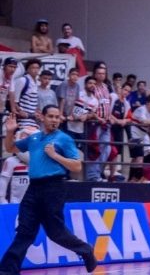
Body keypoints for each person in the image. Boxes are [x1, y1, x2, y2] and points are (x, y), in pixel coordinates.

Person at [0, 108, 97, 274]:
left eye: (57, 117)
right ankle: (7, 270)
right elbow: (11, 149)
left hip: (54, 187)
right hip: (33, 188)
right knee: (25, 231)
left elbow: (77, 166)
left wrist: (55, 156)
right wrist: (10, 132)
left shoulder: (64, 139)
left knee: (55, 233)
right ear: (42, 118)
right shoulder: (34, 138)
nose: (54, 120)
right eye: (50, 116)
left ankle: (86, 250)